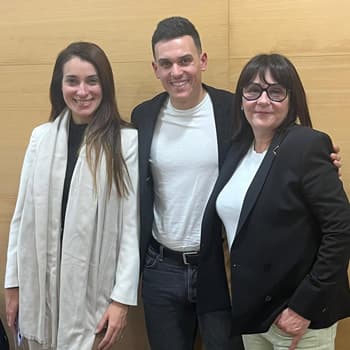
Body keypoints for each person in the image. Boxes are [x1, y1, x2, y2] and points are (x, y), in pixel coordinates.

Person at [130, 17, 342, 350]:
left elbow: (282, 151)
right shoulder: (143, 116)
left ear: (202, 61)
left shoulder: (234, 110)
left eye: (185, 60)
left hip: (222, 269)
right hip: (163, 267)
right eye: (166, 63)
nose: (177, 71)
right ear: (155, 68)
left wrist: (322, 159)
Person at [202, 53, 350, 350]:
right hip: (253, 314)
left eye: (276, 91)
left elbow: (341, 230)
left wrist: (303, 307)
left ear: (291, 99)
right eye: (253, 90)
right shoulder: (237, 151)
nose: (263, 100)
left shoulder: (306, 145)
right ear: (242, 98)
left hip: (297, 321)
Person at [4, 42, 140, 350]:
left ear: (105, 85)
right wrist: (12, 285)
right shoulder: (41, 138)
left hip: (93, 292)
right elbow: (22, 217)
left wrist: (121, 300)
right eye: (72, 81)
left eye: (92, 80)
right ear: (59, 86)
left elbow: (129, 229)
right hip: (40, 286)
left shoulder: (124, 142)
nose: (82, 91)